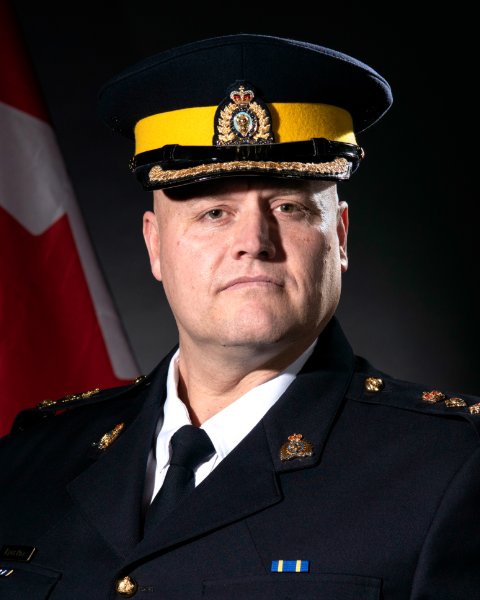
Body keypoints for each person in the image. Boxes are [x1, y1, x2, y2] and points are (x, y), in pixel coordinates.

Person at [0, 33, 479, 600]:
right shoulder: (31, 459)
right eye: (214, 212)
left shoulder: (453, 467)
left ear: (340, 237)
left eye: (289, 206)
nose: (253, 240)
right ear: (155, 246)